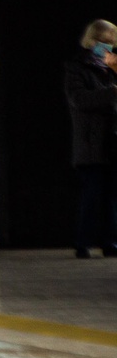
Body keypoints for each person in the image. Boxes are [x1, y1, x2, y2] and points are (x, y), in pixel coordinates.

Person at [63, 20, 117, 260]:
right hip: (90, 142)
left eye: (111, 44)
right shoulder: (77, 67)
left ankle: (111, 242)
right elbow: (79, 100)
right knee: (92, 194)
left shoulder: (111, 68)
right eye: (104, 43)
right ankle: (83, 243)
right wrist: (112, 92)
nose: (108, 48)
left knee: (112, 197)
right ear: (93, 41)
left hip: (112, 140)